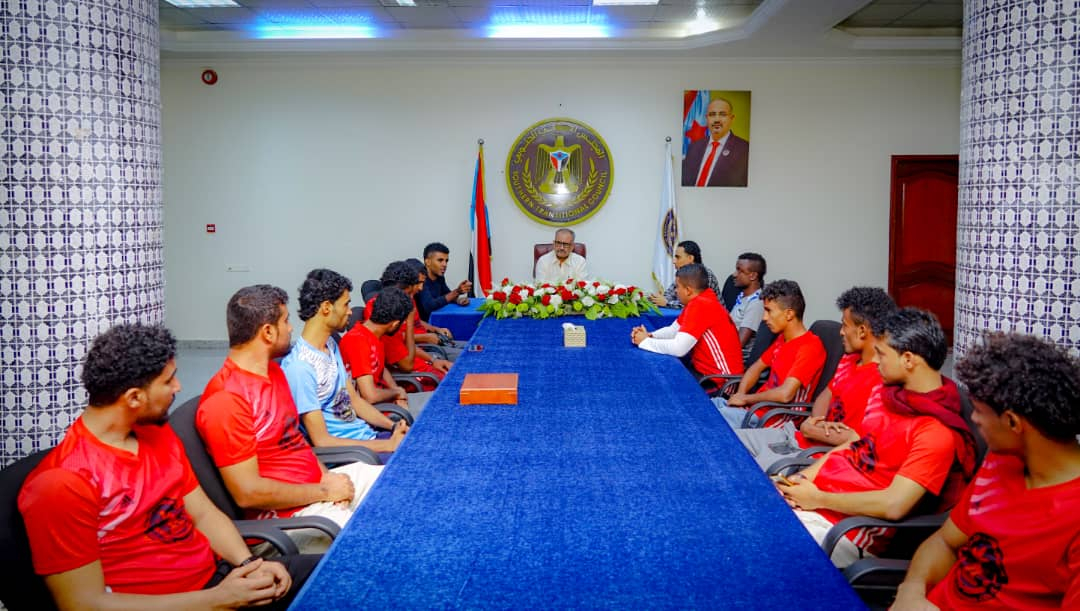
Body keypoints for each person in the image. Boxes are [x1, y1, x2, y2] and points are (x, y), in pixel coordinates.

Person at [18, 323, 318, 609]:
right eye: (168, 380)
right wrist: (218, 600)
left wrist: (250, 565)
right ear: (134, 398)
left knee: (337, 574)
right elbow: (83, 604)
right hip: (187, 603)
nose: (178, 386)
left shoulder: (157, 434)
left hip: (219, 584)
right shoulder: (62, 483)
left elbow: (203, 514)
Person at [893, 333, 1080, 610]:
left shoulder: (1073, 514)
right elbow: (945, 542)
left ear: (1013, 423)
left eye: (979, 411)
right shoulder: (1002, 460)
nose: (973, 418)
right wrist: (911, 589)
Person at [778, 308, 978, 567]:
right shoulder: (888, 395)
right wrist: (802, 479)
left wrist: (818, 499)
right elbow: (853, 445)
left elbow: (894, 504)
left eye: (882, 354)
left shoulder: (936, 432)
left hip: (847, 529)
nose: (876, 361)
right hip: (817, 500)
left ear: (908, 359)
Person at [196, 284, 382, 542]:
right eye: (286, 321)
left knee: (399, 480)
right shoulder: (226, 399)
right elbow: (248, 493)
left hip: (319, 489)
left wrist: (329, 479)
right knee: (377, 535)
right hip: (288, 519)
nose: (291, 328)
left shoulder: (274, 372)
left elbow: (297, 442)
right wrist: (324, 492)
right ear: (268, 332)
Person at [734, 287, 895, 470]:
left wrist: (811, 429)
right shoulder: (849, 360)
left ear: (862, 331)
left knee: (743, 469)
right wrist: (815, 421)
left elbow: (858, 439)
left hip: (816, 455)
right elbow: (825, 395)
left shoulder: (881, 380)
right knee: (727, 441)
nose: (841, 332)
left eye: (845, 325)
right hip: (795, 437)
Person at [281, 269, 408, 454]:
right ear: (326, 307)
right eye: (346, 304)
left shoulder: (330, 345)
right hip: (352, 455)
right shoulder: (300, 367)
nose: (350, 311)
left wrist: (394, 427)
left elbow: (354, 400)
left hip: (367, 440)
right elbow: (322, 441)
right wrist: (387, 445)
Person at [714, 279, 826, 429]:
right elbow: (756, 368)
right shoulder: (783, 338)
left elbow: (785, 394)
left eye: (769, 311)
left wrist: (746, 399)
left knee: (708, 419)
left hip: (773, 420)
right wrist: (740, 396)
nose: (764, 318)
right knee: (705, 405)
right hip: (753, 409)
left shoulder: (810, 347)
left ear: (789, 314)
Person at [632, 263, 743, 378]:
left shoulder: (701, 305)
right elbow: (673, 330)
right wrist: (650, 336)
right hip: (709, 373)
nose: (675, 291)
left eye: (677, 287)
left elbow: (679, 348)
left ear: (688, 290)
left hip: (720, 379)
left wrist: (645, 342)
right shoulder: (701, 300)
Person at [340, 286, 432, 418]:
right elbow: (370, 396)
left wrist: (397, 392)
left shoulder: (372, 334)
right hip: (376, 411)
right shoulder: (358, 341)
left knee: (442, 400)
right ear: (395, 324)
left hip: (388, 401)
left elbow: (381, 368)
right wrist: (395, 393)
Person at [368, 260, 452, 390]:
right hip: (410, 379)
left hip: (420, 365)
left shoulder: (392, 305)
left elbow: (404, 345)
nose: (411, 299)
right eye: (408, 294)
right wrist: (410, 320)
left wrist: (433, 360)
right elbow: (406, 365)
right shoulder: (384, 313)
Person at [681, 97, 749, 187]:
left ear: (731, 118)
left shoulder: (745, 150)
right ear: (707, 118)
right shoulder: (694, 146)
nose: (717, 120)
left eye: (722, 114)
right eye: (712, 114)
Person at [648, 240, 723, 309]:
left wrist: (667, 303)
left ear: (690, 258)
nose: (674, 261)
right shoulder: (683, 274)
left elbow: (695, 304)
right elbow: (669, 295)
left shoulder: (705, 275)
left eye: (678, 257)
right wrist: (656, 299)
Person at [417, 242, 471, 321]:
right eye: (440, 260)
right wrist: (457, 291)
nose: (445, 264)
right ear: (427, 262)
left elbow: (446, 293)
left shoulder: (439, 277)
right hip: (423, 324)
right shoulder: (421, 279)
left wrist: (458, 300)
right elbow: (430, 306)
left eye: (446, 261)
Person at [729, 252, 767, 351]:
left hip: (739, 357)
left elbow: (739, 343)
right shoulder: (743, 297)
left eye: (740, 271)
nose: (734, 274)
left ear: (753, 276)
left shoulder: (756, 303)